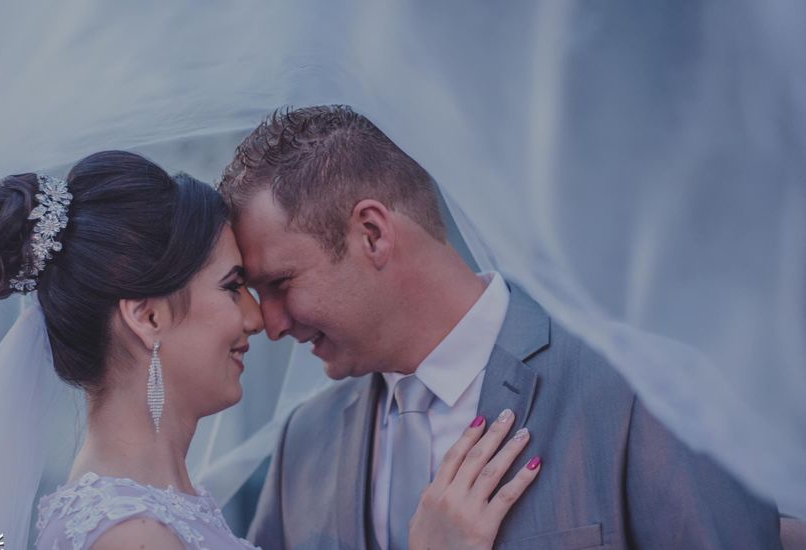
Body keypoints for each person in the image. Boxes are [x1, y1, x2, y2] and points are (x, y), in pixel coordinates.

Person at [217, 105, 784, 549]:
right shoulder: (304, 444)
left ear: (372, 233)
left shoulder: (647, 392)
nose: (267, 323)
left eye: (280, 283)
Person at [0, 150, 541, 550]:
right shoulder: (130, 536)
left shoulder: (165, 510)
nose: (258, 320)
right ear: (147, 317)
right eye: (232, 287)